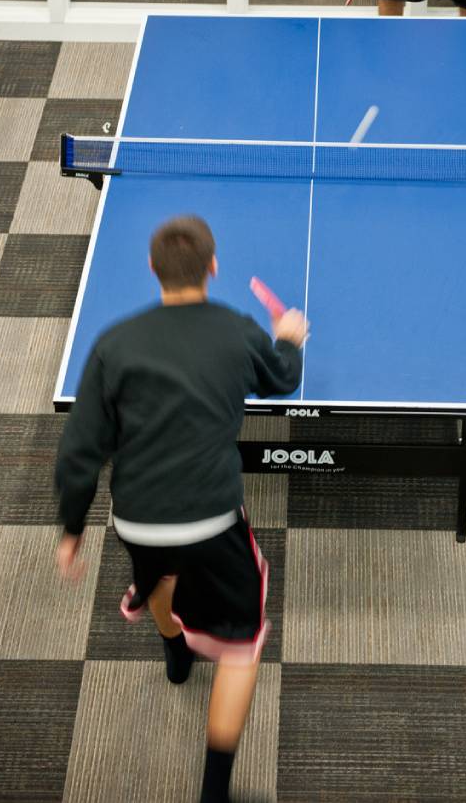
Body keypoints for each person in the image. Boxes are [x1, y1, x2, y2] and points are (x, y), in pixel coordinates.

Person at [54, 215, 308, 803]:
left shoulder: (113, 344)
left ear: (152, 271)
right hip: (212, 519)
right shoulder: (237, 331)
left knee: (160, 575)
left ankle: (174, 648)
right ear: (212, 268)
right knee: (241, 650)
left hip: (135, 520)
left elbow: (80, 450)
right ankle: (214, 793)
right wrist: (288, 337)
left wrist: (72, 528)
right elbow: (281, 382)